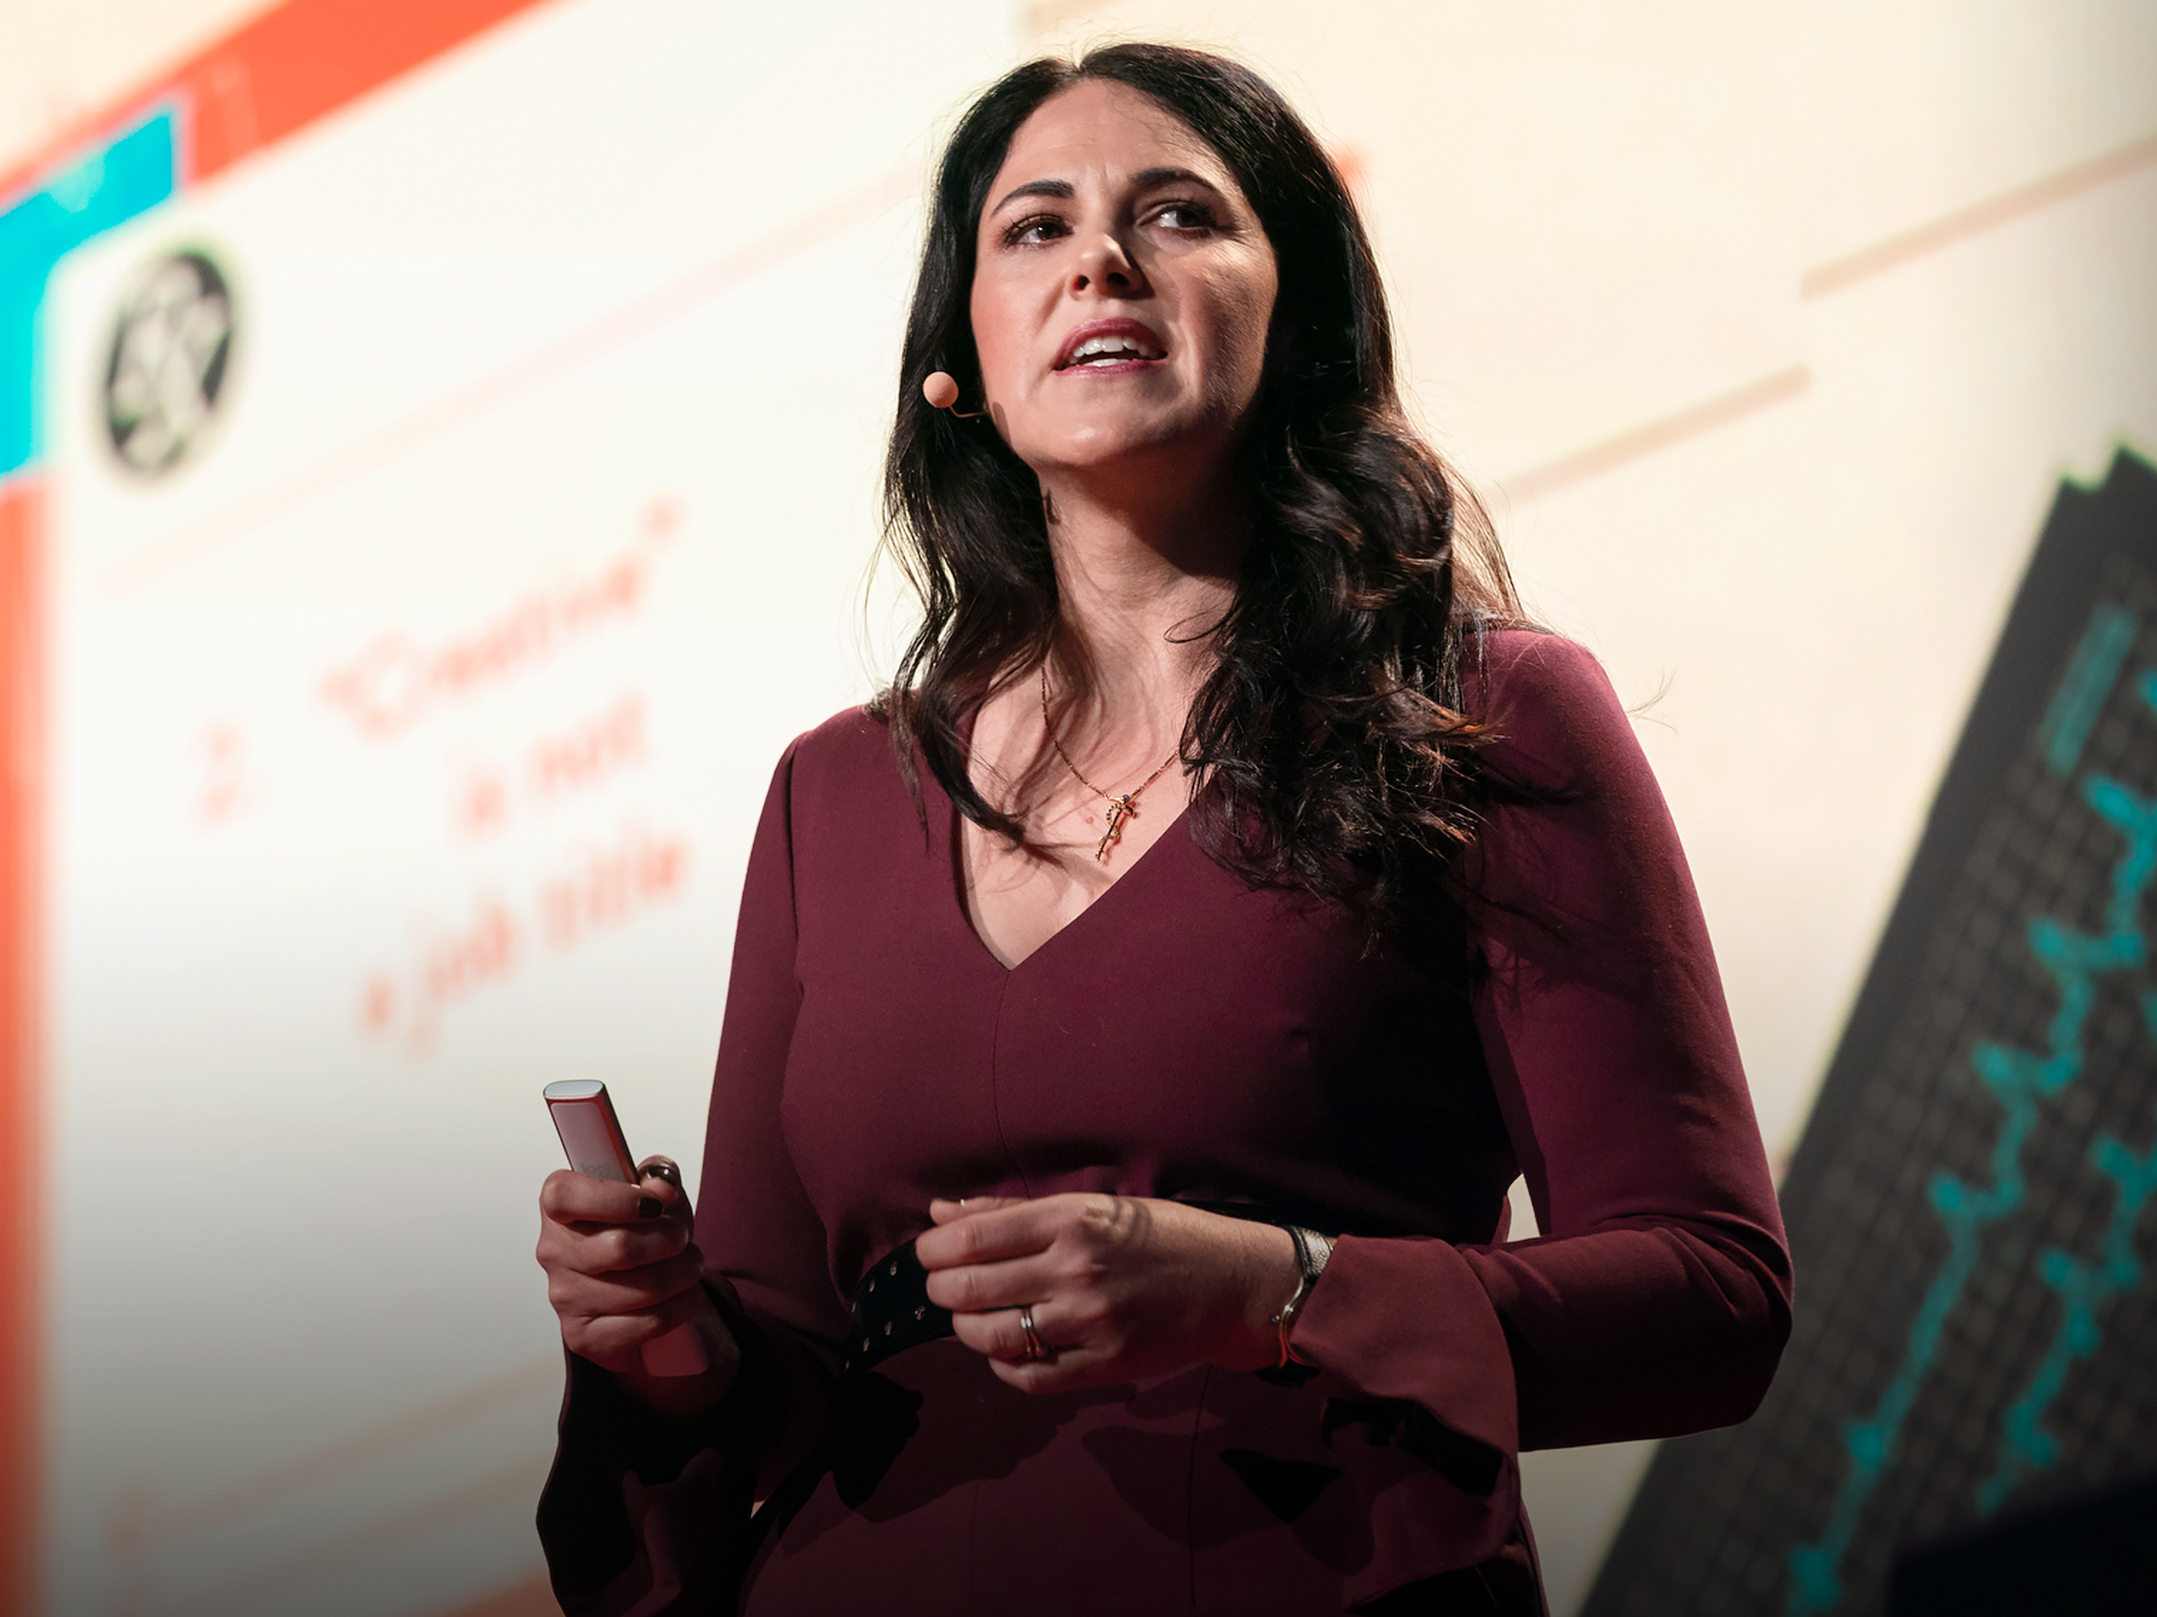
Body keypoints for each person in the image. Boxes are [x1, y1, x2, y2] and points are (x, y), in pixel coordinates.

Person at [533, 43, 1792, 1617]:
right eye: (1034, 229)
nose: (1102, 261)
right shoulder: (829, 798)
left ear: (1301, 316)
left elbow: (1709, 1292)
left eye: (1181, 213)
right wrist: (659, 1331)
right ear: (963, 364)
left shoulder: (1486, 710)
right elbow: (773, 1357)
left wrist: (1278, 1289)